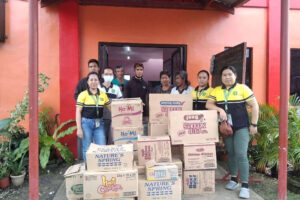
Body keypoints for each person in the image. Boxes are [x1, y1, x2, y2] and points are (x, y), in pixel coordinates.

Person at [206, 66, 259, 199]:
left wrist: (254, 124)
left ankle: (245, 186)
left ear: (235, 75)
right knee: (231, 153)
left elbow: (254, 105)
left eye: (230, 74)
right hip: (226, 127)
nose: (227, 77)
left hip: (241, 126)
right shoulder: (217, 90)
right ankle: (234, 179)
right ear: (221, 77)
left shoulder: (243, 88)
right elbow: (209, 104)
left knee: (241, 154)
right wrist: (220, 110)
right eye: (224, 75)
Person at [76, 72, 111, 162]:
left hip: (99, 124)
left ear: (99, 81)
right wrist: (79, 128)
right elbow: (78, 112)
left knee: (102, 147)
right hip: (86, 124)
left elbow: (112, 108)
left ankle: (100, 169)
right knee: (87, 148)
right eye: (91, 80)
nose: (93, 82)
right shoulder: (82, 95)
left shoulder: (103, 94)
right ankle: (88, 169)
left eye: (95, 79)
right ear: (87, 82)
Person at [99, 67, 122, 145]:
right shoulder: (98, 88)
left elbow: (120, 102)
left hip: (113, 117)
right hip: (100, 118)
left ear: (113, 76)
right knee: (101, 139)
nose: (108, 76)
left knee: (112, 139)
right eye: (106, 74)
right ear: (102, 75)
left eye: (110, 74)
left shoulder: (116, 88)